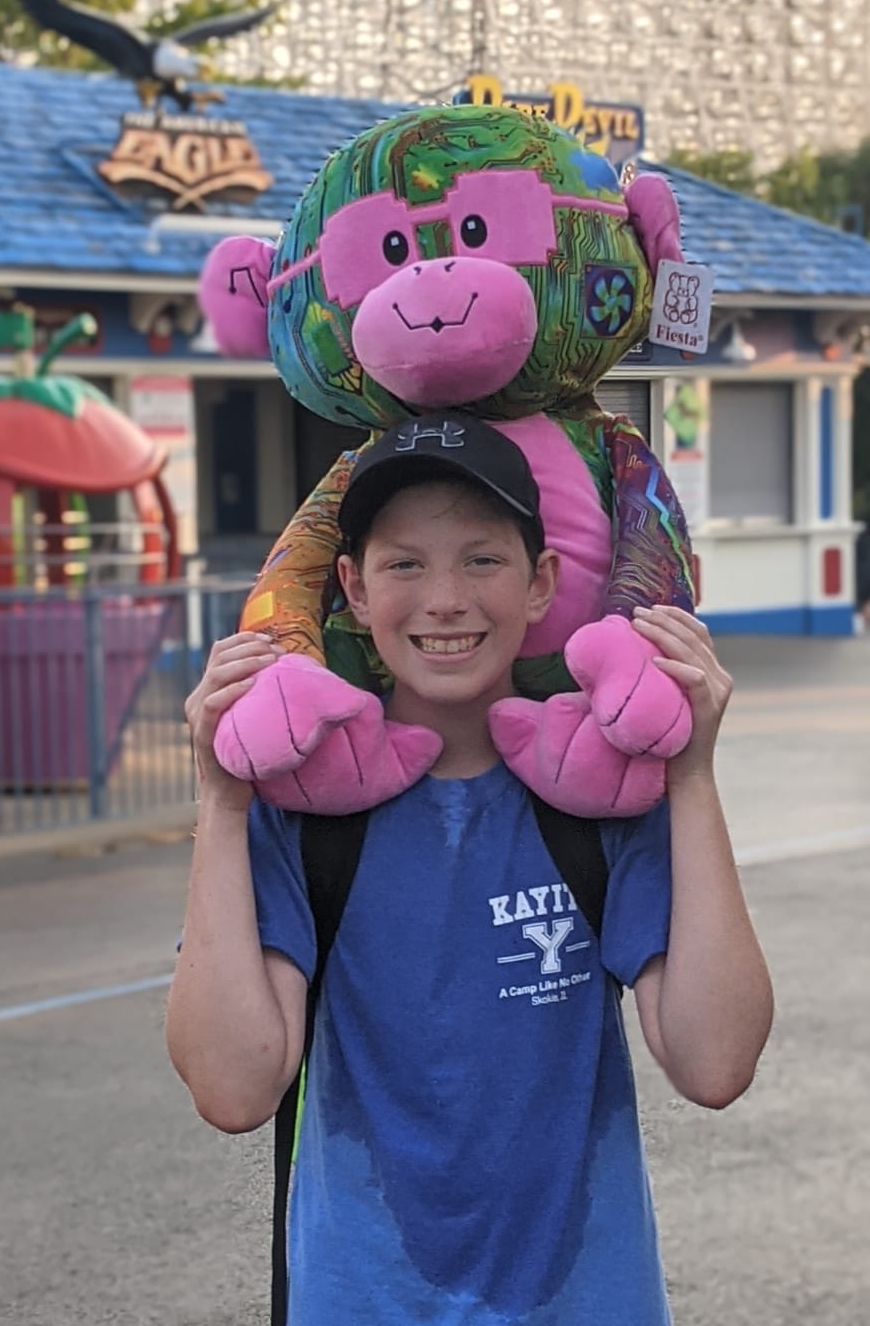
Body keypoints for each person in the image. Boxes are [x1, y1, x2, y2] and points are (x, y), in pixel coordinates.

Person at [167, 411, 774, 1325]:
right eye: (404, 564)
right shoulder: (303, 819)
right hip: (360, 1299)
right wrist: (221, 801)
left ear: (541, 584)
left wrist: (690, 777)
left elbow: (716, 1061)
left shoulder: (600, 803)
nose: (445, 599)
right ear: (353, 590)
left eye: (482, 560)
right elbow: (232, 1086)